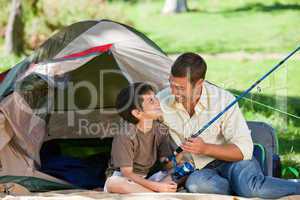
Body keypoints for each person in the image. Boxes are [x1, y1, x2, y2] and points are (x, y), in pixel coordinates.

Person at [157, 53, 300, 199]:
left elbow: (244, 150)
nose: (174, 92)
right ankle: (240, 188)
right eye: (171, 84)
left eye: (181, 88)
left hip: (235, 161)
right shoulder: (161, 101)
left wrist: (205, 148)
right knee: (196, 186)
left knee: (251, 189)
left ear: (199, 83)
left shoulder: (223, 100)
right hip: (200, 171)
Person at [104, 82, 177, 193]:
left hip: (145, 180)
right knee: (114, 183)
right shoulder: (125, 135)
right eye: (151, 101)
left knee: (182, 172)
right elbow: (127, 174)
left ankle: (152, 193)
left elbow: (167, 164)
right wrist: (156, 187)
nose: (158, 103)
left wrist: (180, 153)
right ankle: (155, 195)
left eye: (155, 98)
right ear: (137, 113)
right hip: (125, 179)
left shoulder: (161, 130)